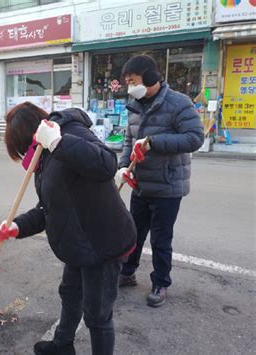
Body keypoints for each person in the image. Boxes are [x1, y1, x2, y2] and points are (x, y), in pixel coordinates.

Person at [0, 102, 137, 355]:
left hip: (103, 244)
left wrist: (58, 143)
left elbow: (107, 164)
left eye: (23, 148)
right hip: (77, 243)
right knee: (70, 295)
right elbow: (48, 207)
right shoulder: (44, 156)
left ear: (34, 134)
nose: (25, 156)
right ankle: (62, 345)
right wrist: (17, 226)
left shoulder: (68, 133)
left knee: (97, 315)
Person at [116, 55, 204, 307]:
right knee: (134, 233)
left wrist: (154, 142)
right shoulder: (135, 105)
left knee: (161, 239)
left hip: (168, 185)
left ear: (151, 77)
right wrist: (124, 166)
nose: (130, 87)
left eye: (133, 81)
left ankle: (160, 282)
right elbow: (128, 140)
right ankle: (128, 272)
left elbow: (194, 138)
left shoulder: (179, 103)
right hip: (140, 183)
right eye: (128, 83)